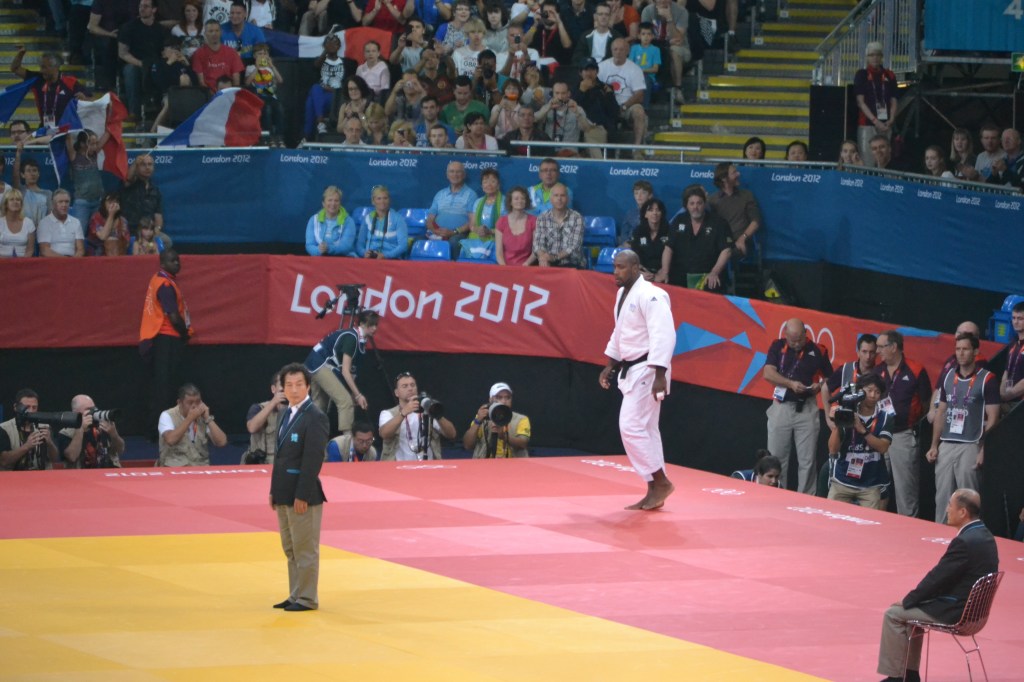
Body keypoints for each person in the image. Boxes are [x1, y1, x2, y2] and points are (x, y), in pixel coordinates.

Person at [876, 488, 998, 682]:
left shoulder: (964, 542)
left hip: (956, 612)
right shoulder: (986, 536)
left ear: (962, 512)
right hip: (976, 613)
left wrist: (909, 600)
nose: (947, 509)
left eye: (950, 505)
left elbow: (938, 578)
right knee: (911, 614)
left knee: (894, 614)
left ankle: (896, 678)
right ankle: (910, 676)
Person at [599, 249, 676, 510]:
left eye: (621, 267)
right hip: (633, 368)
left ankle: (660, 481)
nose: (615, 272)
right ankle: (654, 489)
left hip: (649, 369)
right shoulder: (623, 294)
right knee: (647, 429)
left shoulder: (652, 295)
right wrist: (610, 364)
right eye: (614, 267)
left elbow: (664, 335)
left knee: (630, 426)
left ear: (635, 268)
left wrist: (660, 374)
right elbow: (621, 332)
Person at [270, 363, 329, 612]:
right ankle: (295, 593)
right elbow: (280, 457)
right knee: (290, 548)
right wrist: (273, 490)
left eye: (299, 385)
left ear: (308, 387)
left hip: (303, 494)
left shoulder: (315, 417)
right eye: (289, 385)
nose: (294, 390)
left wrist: (302, 494)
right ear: (282, 388)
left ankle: (307, 598)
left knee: (305, 549)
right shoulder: (285, 414)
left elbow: (312, 460)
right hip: (284, 491)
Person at [927, 333, 1000, 523]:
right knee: (942, 497)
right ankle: (940, 535)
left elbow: (993, 418)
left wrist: (984, 448)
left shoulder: (987, 379)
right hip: (947, 443)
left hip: (971, 444)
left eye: (965, 349)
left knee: (968, 499)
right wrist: (934, 445)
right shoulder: (948, 376)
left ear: (975, 352)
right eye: (958, 349)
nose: (960, 353)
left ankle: (971, 535)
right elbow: (941, 411)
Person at [762, 318, 833, 494]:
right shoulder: (778, 346)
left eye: (799, 340)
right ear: (785, 335)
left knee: (807, 460)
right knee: (776, 457)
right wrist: (790, 384)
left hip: (807, 408)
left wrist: (819, 386)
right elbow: (768, 373)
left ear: (805, 334)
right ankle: (775, 494)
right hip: (781, 406)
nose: (795, 344)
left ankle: (806, 498)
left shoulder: (818, 350)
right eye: (792, 340)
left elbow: (830, 378)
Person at [874, 329, 931, 517]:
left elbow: (926, 403)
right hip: (879, 434)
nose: (878, 351)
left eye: (881, 347)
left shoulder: (916, 370)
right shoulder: (878, 371)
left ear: (894, 347)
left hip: (903, 435)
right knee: (875, 486)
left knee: (906, 490)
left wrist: (912, 421)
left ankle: (909, 528)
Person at [140, 249, 193, 430]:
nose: (177, 263)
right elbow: (173, 316)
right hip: (167, 338)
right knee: (165, 387)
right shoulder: (165, 285)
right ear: (162, 264)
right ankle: (160, 430)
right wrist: (185, 333)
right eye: (172, 261)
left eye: (178, 260)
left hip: (159, 338)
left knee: (161, 386)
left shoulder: (159, 280)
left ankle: (156, 429)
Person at [304, 310, 381, 435]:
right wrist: (358, 395)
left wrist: (353, 392)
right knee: (345, 401)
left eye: (376, 325)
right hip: (320, 364)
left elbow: (351, 371)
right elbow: (345, 371)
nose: (374, 328)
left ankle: (312, 439)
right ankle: (347, 440)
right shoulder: (352, 338)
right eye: (371, 325)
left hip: (314, 364)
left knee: (320, 407)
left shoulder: (360, 341)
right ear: (361, 324)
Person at [825, 372, 892, 510]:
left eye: (877, 392)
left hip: (870, 484)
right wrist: (837, 424)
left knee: (870, 521)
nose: (873, 395)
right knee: (830, 516)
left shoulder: (885, 417)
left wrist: (863, 431)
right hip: (842, 480)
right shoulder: (847, 412)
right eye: (869, 390)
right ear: (860, 391)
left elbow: (883, 447)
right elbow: (832, 450)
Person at [662, 185, 732, 292]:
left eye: (699, 203)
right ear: (686, 206)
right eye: (692, 203)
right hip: (680, 275)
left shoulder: (718, 222)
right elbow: (668, 248)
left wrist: (714, 272)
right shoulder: (679, 220)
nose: (695, 207)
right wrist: (665, 272)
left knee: (712, 285)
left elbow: (727, 250)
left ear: (704, 204)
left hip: (708, 275)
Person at [379, 372, 457, 461]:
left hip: (428, 465)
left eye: (412, 385)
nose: (410, 388)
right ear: (396, 393)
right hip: (398, 466)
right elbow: (384, 434)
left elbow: (452, 434)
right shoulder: (388, 413)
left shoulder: (427, 410)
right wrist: (403, 413)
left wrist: (437, 414)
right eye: (405, 386)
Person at [9, 48, 87, 127]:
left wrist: (84, 99)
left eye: (44, 67)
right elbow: (15, 68)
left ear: (56, 67)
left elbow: (90, 99)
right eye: (41, 67)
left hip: (66, 129)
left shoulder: (70, 82)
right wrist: (21, 54)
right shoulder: (37, 79)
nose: (41, 71)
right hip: (45, 128)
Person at [118, 0, 168, 122]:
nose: (142, 9)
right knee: (131, 71)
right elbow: (122, 53)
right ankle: (134, 112)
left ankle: (160, 111)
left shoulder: (161, 29)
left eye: (146, 6)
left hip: (155, 63)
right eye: (140, 6)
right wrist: (141, 64)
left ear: (154, 9)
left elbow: (165, 51)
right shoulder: (128, 27)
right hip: (134, 62)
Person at [158, 383, 228, 465]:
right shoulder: (167, 415)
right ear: (179, 403)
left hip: (200, 466)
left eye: (198, 402)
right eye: (190, 403)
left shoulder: (203, 417)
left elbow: (222, 442)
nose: (194, 406)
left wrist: (208, 419)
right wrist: (189, 419)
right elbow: (170, 440)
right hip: (175, 467)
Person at [599, 38, 647, 154]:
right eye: (615, 49)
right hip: (606, 106)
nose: (618, 52)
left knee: (639, 112)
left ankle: (636, 150)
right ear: (611, 51)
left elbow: (639, 94)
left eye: (621, 49)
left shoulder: (635, 69)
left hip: (627, 106)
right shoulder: (601, 67)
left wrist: (624, 106)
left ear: (627, 51)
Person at [854, 41, 898, 168]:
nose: (875, 58)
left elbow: (894, 99)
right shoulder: (862, 74)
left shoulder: (889, 74)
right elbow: (860, 102)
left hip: (886, 123)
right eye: (871, 55)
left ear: (882, 56)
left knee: (884, 160)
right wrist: (875, 121)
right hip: (867, 124)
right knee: (867, 160)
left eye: (878, 55)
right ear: (867, 57)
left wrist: (892, 118)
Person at [463, 382, 531, 458]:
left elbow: (523, 444)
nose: (504, 401)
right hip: (485, 462)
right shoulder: (482, 417)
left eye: (507, 398)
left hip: (512, 463)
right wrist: (477, 421)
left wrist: (503, 436)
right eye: (499, 397)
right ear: (490, 399)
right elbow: (468, 445)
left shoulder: (521, 419)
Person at [426, 160, 477, 259]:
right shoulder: (440, 194)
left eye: (458, 172)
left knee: (453, 242)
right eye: (452, 171)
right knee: (417, 241)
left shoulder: (471, 195)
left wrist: (454, 232)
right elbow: (430, 219)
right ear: (447, 175)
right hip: (437, 232)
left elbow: (472, 222)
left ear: (464, 175)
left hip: (459, 234)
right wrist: (434, 231)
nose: (455, 175)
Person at [639, 0, 689, 100]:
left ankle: (678, 88)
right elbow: (645, 37)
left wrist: (669, 18)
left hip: (681, 48)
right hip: (657, 46)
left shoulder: (681, 11)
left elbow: (678, 38)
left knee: (674, 50)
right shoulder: (647, 11)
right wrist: (667, 42)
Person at [57, 395, 125, 469]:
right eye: (88, 409)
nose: (93, 411)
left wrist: (114, 434)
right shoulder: (66, 432)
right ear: (76, 413)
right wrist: (80, 429)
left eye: (94, 408)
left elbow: (119, 450)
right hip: (81, 474)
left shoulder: (104, 426)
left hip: (107, 471)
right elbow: (72, 457)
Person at [708, 162, 762, 256]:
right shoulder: (712, 200)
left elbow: (755, 222)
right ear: (724, 178)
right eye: (734, 173)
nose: (738, 174)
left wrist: (742, 238)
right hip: (720, 241)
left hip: (739, 241)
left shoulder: (747, 196)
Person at [535, 80, 599, 156]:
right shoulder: (546, 108)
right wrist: (548, 108)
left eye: (563, 93)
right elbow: (534, 120)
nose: (560, 97)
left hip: (570, 153)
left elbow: (587, 129)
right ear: (553, 93)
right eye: (557, 93)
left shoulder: (577, 108)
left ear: (568, 94)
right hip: (550, 152)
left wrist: (577, 114)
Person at [0, 389, 59, 471]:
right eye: (27, 407)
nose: (31, 411)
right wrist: (26, 446)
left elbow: (55, 459)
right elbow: (4, 461)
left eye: (34, 407)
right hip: (14, 476)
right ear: (16, 407)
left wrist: (50, 443)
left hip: (41, 475)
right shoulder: (4, 428)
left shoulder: (45, 427)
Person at [65, 129, 109, 229]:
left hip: (98, 202)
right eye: (91, 144)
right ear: (82, 144)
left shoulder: (94, 154)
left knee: (97, 234)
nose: (95, 146)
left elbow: (107, 134)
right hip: (82, 203)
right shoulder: (74, 156)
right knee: (79, 233)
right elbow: (68, 137)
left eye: (96, 143)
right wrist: (68, 125)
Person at [304, 33, 345, 139]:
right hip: (321, 95)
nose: (332, 45)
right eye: (328, 43)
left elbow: (347, 86)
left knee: (311, 102)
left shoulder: (345, 62)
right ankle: (320, 123)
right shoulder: (320, 61)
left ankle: (307, 137)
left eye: (335, 43)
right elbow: (316, 66)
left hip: (336, 97)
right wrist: (325, 51)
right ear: (324, 46)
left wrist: (331, 89)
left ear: (339, 46)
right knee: (315, 89)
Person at [533, 183, 584, 268]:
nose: (559, 199)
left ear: (567, 199)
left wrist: (554, 258)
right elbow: (538, 243)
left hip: (572, 263)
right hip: (548, 263)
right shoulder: (542, 218)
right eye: (556, 195)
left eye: (562, 195)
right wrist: (543, 258)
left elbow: (573, 247)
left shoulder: (577, 218)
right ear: (551, 199)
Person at [245, 43, 286, 147]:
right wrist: (257, 67)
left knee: (280, 108)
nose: (262, 56)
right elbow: (247, 82)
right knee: (267, 109)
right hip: (258, 96)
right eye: (260, 54)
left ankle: (279, 137)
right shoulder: (250, 68)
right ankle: (268, 137)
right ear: (254, 56)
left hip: (271, 96)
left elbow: (280, 80)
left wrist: (272, 66)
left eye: (265, 54)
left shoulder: (270, 69)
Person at [242, 372, 287, 465]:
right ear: (273, 389)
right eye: (282, 384)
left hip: (287, 462)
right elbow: (252, 428)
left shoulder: (298, 410)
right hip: (262, 462)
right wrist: (273, 403)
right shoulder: (259, 408)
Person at [355, 185, 409, 259]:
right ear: (373, 201)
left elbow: (403, 246)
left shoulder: (398, 219)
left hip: (391, 260)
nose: (382, 201)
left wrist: (386, 255)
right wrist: (364, 253)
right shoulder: (367, 218)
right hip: (369, 259)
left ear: (389, 200)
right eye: (379, 198)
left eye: (385, 198)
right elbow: (359, 245)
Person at [191, 19, 243, 91]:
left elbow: (236, 80)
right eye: (211, 31)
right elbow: (201, 82)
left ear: (221, 32)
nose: (214, 34)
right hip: (208, 93)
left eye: (217, 31)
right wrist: (213, 95)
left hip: (228, 92)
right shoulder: (198, 53)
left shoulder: (232, 52)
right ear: (205, 33)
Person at [120, 153, 167, 235]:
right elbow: (128, 178)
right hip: (130, 231)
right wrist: (135, 163)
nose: (147, 167)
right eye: (143, 165)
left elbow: (158, 214)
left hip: (148, 231)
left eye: (150, 164)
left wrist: (157, 229)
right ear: (137, 168)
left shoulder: (155, 190)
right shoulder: (129, 185)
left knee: (166, 240)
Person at [304, 185, 356, 257]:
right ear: (323, 203)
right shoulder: (313, 220)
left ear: (340, 203)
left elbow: (346, 246)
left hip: (342, 259)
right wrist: (319, 251)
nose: (333, 203)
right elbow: (309, 245)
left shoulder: (349, 221)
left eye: (336, 200)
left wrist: (328, 249)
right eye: (330, 200)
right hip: (319, 258)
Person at [627, 197, 670, 282]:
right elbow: (634, 256)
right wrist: (641, 273)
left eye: (657, 210)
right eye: (650, 210)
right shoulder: (638, 231)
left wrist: (663, 273)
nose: (654, 213)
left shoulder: (669, 231)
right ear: (645, 214)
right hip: (643, 273)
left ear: (662, 213)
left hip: (663, 273)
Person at [494, 185, 537, 266]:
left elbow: (536, 250)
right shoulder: (501, 222)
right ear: (510, 202)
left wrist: (526, 264)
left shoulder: (533, 221)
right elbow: (499, 252)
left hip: (527, 266)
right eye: (516, 199)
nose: (520, 201)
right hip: (505, 266)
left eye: (523, 198)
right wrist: (504, 268)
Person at [38, 189, 85, 258]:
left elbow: (80, 249)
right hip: (52, 260)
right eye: (60, 202)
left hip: (72, 260)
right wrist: (65, 260)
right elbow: (45, 250)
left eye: (67, 202)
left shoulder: (76, 222)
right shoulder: (44, 223)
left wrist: (73, 261)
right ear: (53, 204)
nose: (64, 205)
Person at [86, 192, 131, 256]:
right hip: (97, 254)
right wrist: (111, 215)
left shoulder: (123, 221)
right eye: (110, 202)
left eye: (116, 202)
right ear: (104, 204)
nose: (113, 205)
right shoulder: (96, 218)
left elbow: (126, 243)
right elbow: (103, 236)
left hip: (118, 253)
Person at [999, 300, 1024, 410]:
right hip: (1008, 399)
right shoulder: (1013, 343)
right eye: (1014, 318)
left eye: (1020, 319)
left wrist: (1008, 396)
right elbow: (1006, 371)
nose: (1016, 322)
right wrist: (1002, 395)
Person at [468, 168, 505, 241]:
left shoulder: (506, 202)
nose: (489, 185)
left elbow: (507, 228)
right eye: (485, 182)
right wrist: (477, 230)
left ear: (498, 185)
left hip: (499, 239)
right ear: (482, 186)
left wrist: (490, 231)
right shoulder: (477, 202)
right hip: (478, 238)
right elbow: (472, 225)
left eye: (493, 181)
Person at [0, 189, 36, 258]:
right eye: (11, 199)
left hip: (23, 261)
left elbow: (30, 250)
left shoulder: (28, 223)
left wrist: (21, 263)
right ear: (6, 204)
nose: (15, 202)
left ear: (21, 204)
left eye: (18, 200)